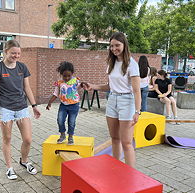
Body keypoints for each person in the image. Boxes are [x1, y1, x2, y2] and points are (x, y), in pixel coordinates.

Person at [84, 32, 141, 168]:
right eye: (111, 46)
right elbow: (110, 86)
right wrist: (93, 86)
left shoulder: (132, 64)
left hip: (127, 101)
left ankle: (130, 173)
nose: (114, 48)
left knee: (126, 142)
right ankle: (116, 168)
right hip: (112, 100)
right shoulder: (111, 63)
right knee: (115, 138)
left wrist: (137, 111)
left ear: (124, 45)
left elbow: (136, 90)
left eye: (117, 45)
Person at [0, 40, 41, 180]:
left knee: (28, 139)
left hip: (22, 107)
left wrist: (34, 106)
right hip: (6, 108)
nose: (16, 56)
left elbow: (27, 88)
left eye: (18, 53)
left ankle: (24, 161)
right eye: (13, 53)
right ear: (6, 51)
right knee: (7, 138)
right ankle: (9, 168)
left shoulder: (22, 67)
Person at [46, 61, 83, 145]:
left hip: (74, 105)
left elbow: (80, 87)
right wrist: (49, 103)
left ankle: (70, 137)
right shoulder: (59, 83)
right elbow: (55, 94)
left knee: (71, 122)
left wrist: (84, 84)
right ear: (61, 74)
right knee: (60, 120)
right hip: (63, 105)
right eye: (64, 76)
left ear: (72, 74)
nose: (66, 78)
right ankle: (62, 135)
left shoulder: (75, 81)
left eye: (69, 76)